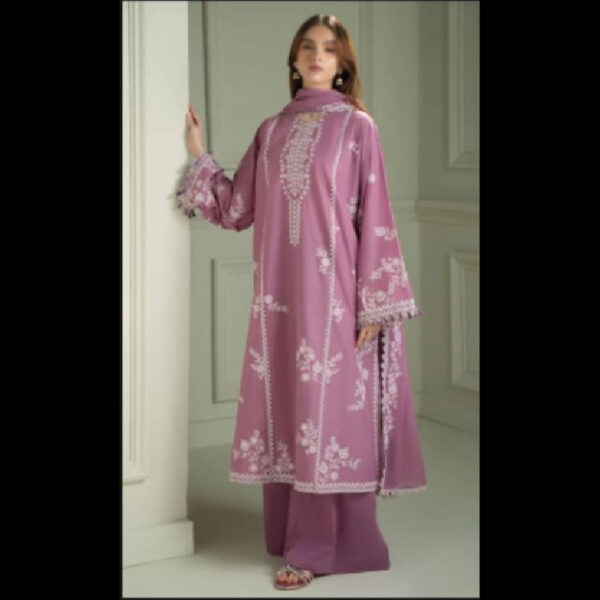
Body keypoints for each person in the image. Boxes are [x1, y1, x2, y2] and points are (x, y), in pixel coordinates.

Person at [176, 13, 427, 591]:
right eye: (308, 47)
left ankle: (316, 549)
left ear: (343, 65)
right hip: (279, 304)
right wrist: (198, 151)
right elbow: (236, 208)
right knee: (289, 413)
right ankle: (293, 537)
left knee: (325, 416)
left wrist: (374, 303)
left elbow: (377, 214)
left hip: (336, 300)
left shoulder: (358, 128)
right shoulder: (271, 132)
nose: (318, 56)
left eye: (330, 49)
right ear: (294, 60)